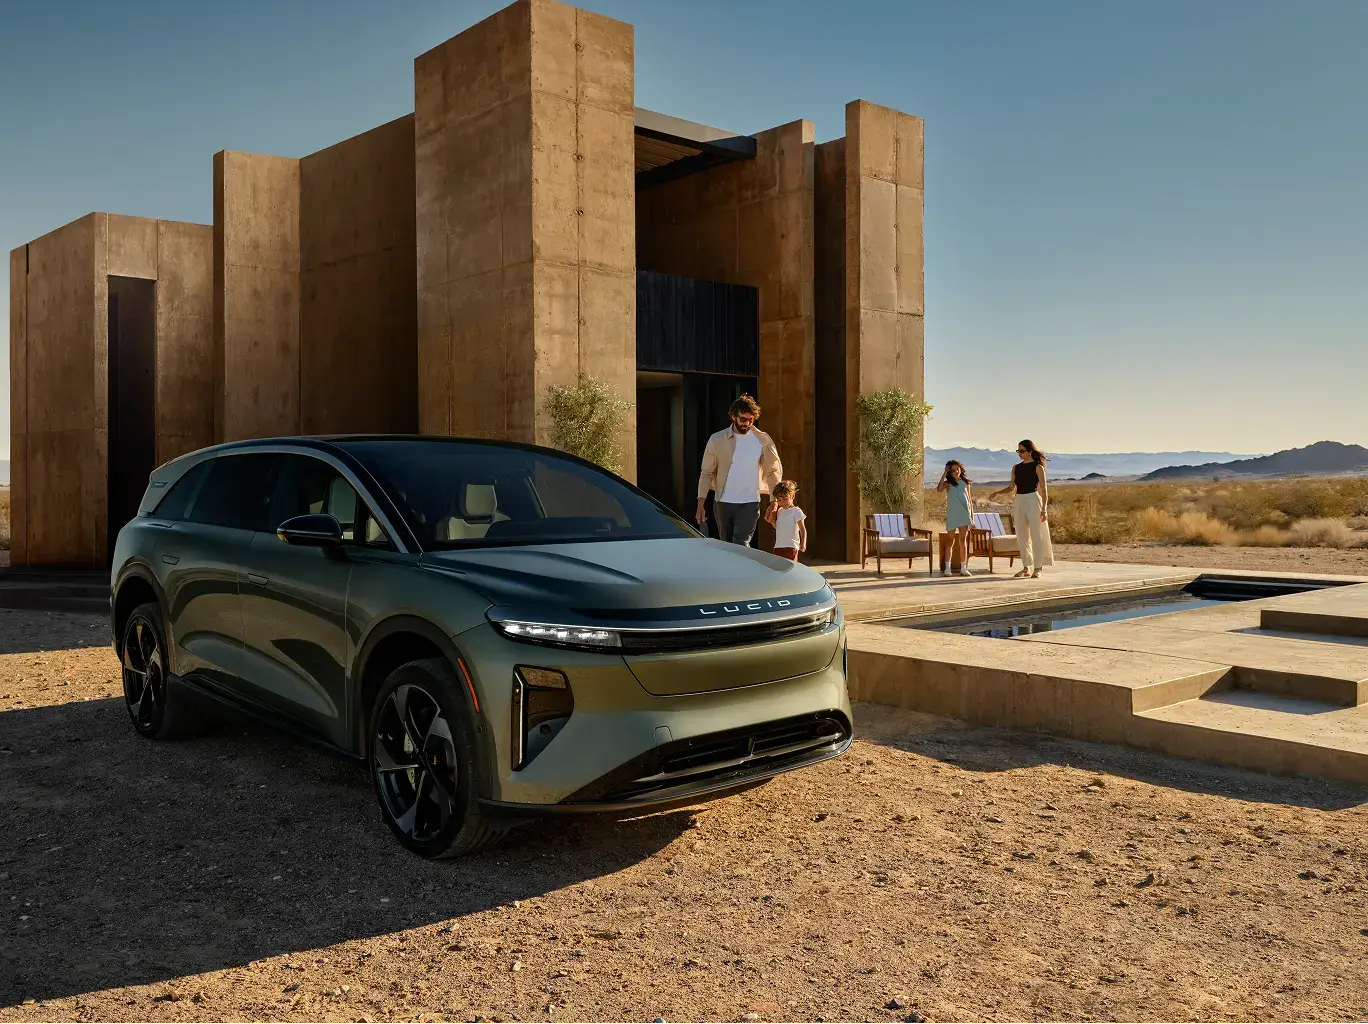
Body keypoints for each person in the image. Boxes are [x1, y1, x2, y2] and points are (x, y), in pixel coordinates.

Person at [696, 394, 782, 546]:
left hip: (750, 503)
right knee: (727, 545)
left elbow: (772, 472)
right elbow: (706, 473)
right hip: (723, 502)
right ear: (733, 417)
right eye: (743, 419)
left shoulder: (762, 440)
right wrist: (700, 503)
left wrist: (774, 501)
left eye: (751, 419)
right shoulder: (717, 439)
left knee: (742, 544)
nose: (747, 423)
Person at [990, 439, 1054, 578]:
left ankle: (1038, 568)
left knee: (1037, 534)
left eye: (1022, 451)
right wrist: (998, 493)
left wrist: (1044, 509)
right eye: (1018, 451)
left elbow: (1044, 489)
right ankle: (1026, 567)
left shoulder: (1038, 467)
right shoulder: (1016, 468)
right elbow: (1011, 487)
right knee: (1022, 535)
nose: (1020, 453)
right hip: (1019, 499)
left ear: (1030, 451)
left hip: (1033, 499)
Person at [936, 459, 974, 577]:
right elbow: (939, 489)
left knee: (962, 541)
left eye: (957, 469)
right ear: (949, 472)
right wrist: (943, 474)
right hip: (953, 515)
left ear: (960, 470)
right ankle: (947, 568)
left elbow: (969, 500)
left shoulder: (965, 483)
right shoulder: (948, 484)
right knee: (950, 541)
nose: (956, 472)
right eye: (952, 470)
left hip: (964, 515)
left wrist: (971, 517)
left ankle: (963, 568)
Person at [764, 479, 806, 561]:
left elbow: (802, 529)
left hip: (791, 547)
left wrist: (803, 543)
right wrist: (772, 522)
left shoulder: (796, 511)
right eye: (779, 500)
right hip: (778, 546)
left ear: (792, 496)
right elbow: (779, 527)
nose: (782, 503)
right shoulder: (780, 511)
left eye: (785, 499)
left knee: (790, 568)